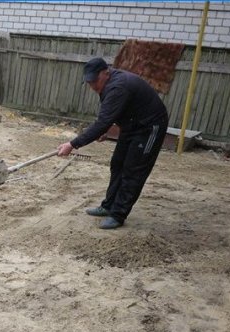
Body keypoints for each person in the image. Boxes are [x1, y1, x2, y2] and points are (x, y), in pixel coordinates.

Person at [57, 57, 169, 229]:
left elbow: (102, 121)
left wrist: (72, 144)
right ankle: (108, 206)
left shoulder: (118, 87)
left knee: (133, 171)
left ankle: (118, 214)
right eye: (89, 82)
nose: (92, 86)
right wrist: (106, 130)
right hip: (132, 125)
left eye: (95, 80)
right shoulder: (109, 84)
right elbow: (115, 113)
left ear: (105, 72)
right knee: (117, 164)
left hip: (149, 127)